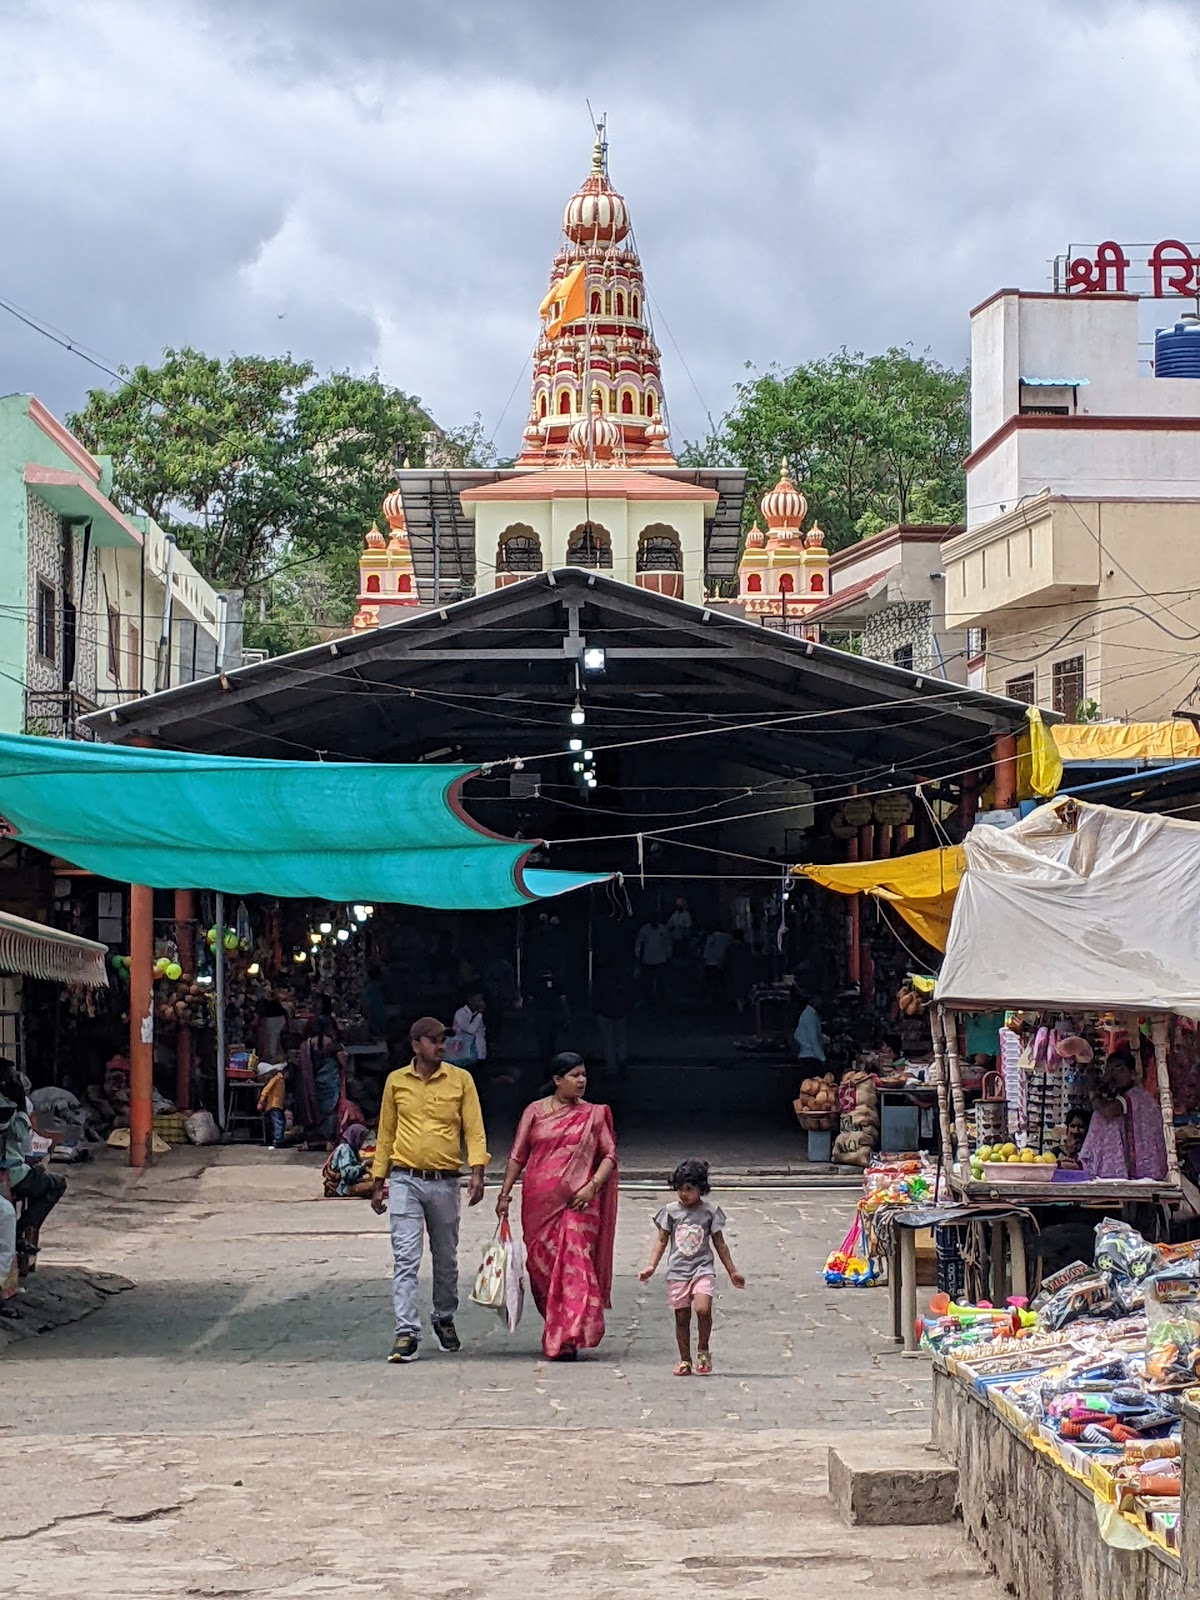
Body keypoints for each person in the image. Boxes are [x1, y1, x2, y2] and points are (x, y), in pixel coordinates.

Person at [370, 1016, 489, 1364]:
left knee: (446, 1258)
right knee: (406, 1258)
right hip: (405, 1178)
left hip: (446, 1181)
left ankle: (444, 1316)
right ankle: (406, 1331)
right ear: (416, 1044)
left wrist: (478, 1170)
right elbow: (386, 1133)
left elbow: (474, 1129)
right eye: (435, 1040)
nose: (441, 1046)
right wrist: (379, 1181)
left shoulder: (460, 1080)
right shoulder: (396, 1083)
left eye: (442, 1041)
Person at [495, 1052, 617, 1361]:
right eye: (575, 1075)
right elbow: (517, 1155)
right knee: (542, 1269)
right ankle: (560, 1330)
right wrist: (504, 1194)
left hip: (579, 1205)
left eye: (584, 1075)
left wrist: (591, 1187)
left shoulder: (596, 1114)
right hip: (538, 1204)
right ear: (556, 1080)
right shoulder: (534, 1112)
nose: (582, 1080)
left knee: (575, 1268)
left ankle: (568, 1336)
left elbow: (609, 1156)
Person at [640, 1157, 744, 1377]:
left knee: (702, 1309)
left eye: (689, 1189)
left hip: (702, 1269)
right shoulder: (670, 1212)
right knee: (681, 1316)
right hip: (678, 1272)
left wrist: (732, 1271)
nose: (684, 1194)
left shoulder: (709, 1212)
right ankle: (685, 1359)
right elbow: (661, 1240)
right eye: (680, 1189)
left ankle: (703, 1349)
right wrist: (651, 1265)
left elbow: (719, 1242)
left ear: (701, 1189)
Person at [0, 1059, 66, 1271]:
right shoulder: (9, 1105)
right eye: (12, 1077)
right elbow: (21, 1137)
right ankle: (23, 1229)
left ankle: (20, 1232)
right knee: (56, 1183)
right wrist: (20, 1105)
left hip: (11, 1168)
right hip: (11, 1173)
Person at [1084, 1048, 1169, 1182]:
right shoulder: (1135, 1095)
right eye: (1109, 1068)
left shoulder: (1134, 1097)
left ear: (1132, 1073)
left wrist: (1093, 1093)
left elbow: (1108, 1111)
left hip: (1143, 1169)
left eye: (1119, 1068)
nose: (1113, 1073)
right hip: (1150, 1169)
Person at [634, 917, 671, 1005]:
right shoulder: (644, 929)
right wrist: (638, 957)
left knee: (661, 982)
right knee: (647, 982)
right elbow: (639, 944)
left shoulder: (663, 929)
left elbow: (668, 944)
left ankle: (660, 1001)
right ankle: (647, 1000)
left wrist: (668, 956)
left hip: (661, 960)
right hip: (648, 960)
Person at [450, 991, 488, 1066]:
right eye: (479, 1000)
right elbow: (470, 1030)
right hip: (462, 1053)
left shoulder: (478, 1015)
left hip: (478, 1052)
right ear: (470, 1000)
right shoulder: (460, 1013)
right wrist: (480, 1014)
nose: (482, 1002)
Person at [725, 928, 755, 1016]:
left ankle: (740, 1009)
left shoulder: (731, 947)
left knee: (738, 992)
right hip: (746, 970)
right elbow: (751, 958)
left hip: (735, 971)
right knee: (746, 988)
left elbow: (728, 960)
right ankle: (749, 1006)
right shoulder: (747, 946)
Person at [792, 996, 826, 1072]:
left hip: (809, 1055)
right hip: (810, 1056)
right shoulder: (809, 1015)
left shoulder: (810, 1014)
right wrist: (822, 1058)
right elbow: (813, 1039)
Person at [257, 1065, 287, 1149]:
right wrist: (262, 1099)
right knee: (278, 1122)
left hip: (277, 1104)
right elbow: (267, 1089)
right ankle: (278, 1139)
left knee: (277, 1122)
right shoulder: (277, 1079)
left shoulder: (280, 1080)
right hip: (274, 1104)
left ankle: (277, 1138)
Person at [702, 927, 733, 1009]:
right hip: (721, 965)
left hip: (710, 964)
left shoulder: (712, 937)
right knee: (720, 985)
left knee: (711, 986)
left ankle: (712, 1003)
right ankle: (719, 1003)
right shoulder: (728, 938)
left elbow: (706, 953)